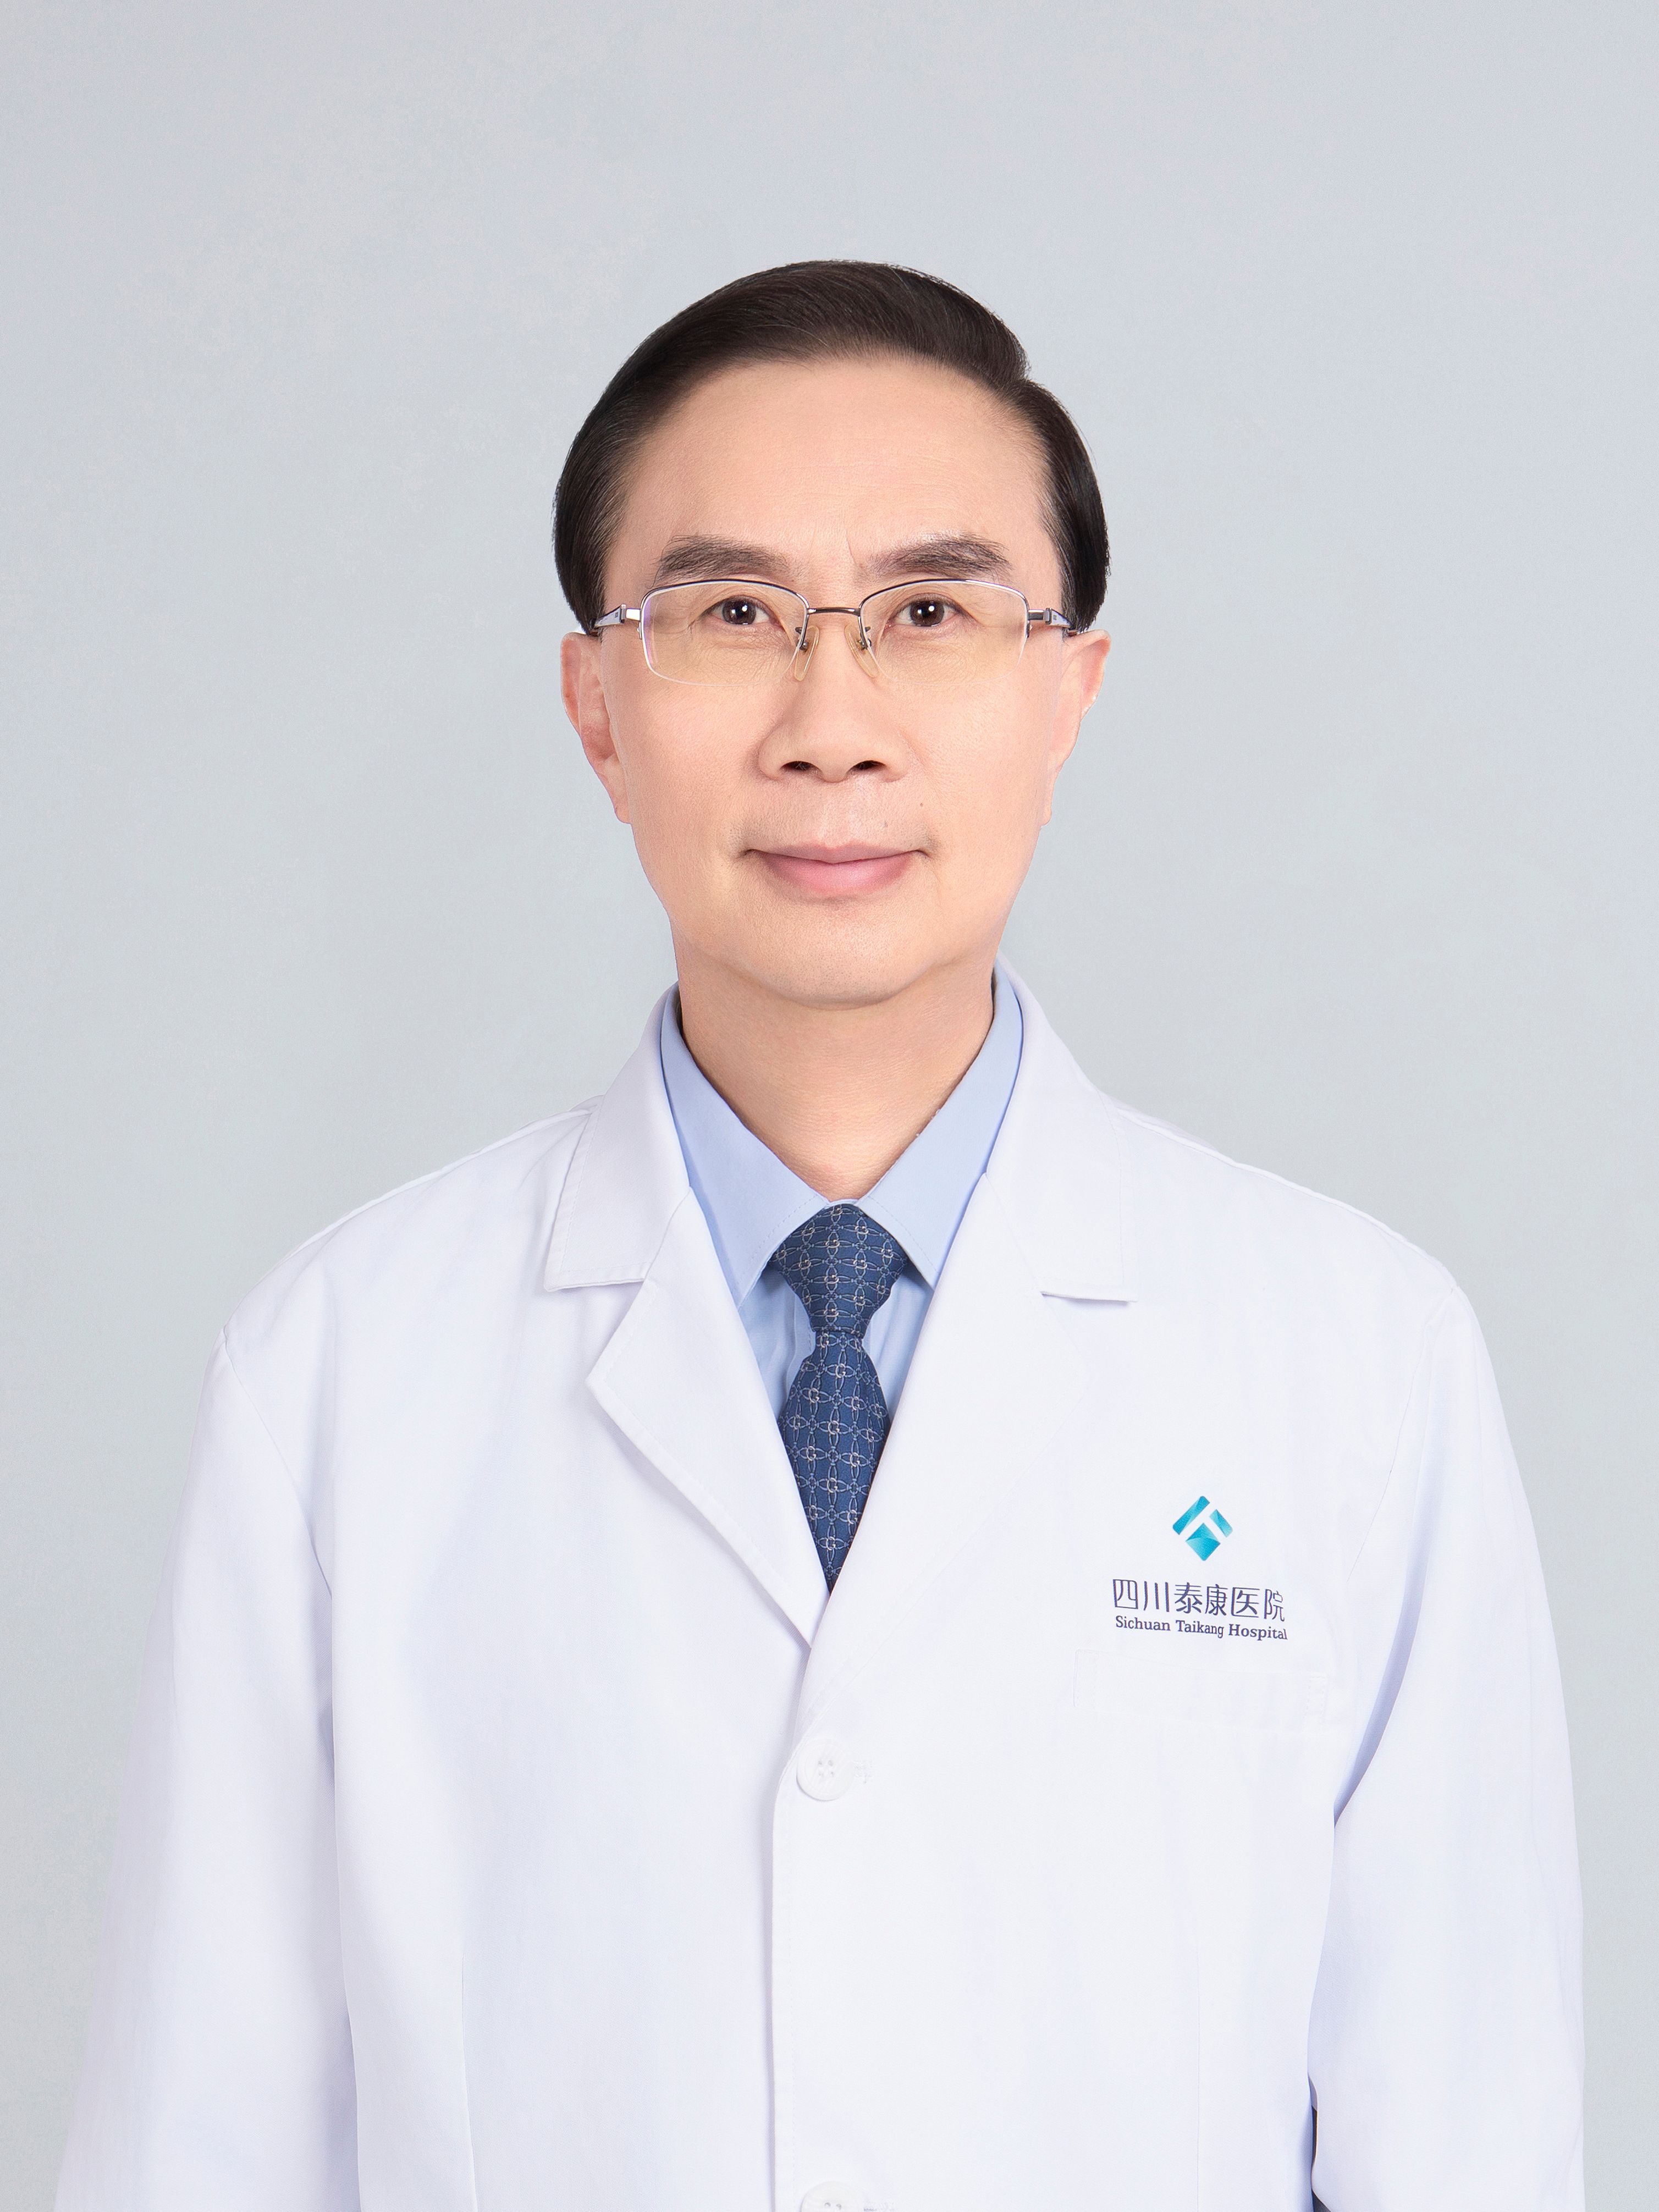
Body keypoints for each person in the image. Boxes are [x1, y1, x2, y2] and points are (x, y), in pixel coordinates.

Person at [57, 262, 1583, 2212]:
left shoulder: (1356, 1360)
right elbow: (201, 2148)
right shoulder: (341, 1368)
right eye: (731, 616)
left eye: (931, 614)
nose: (830, 725)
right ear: (597, 707)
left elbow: (1464, 2142)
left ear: (1066, 692)